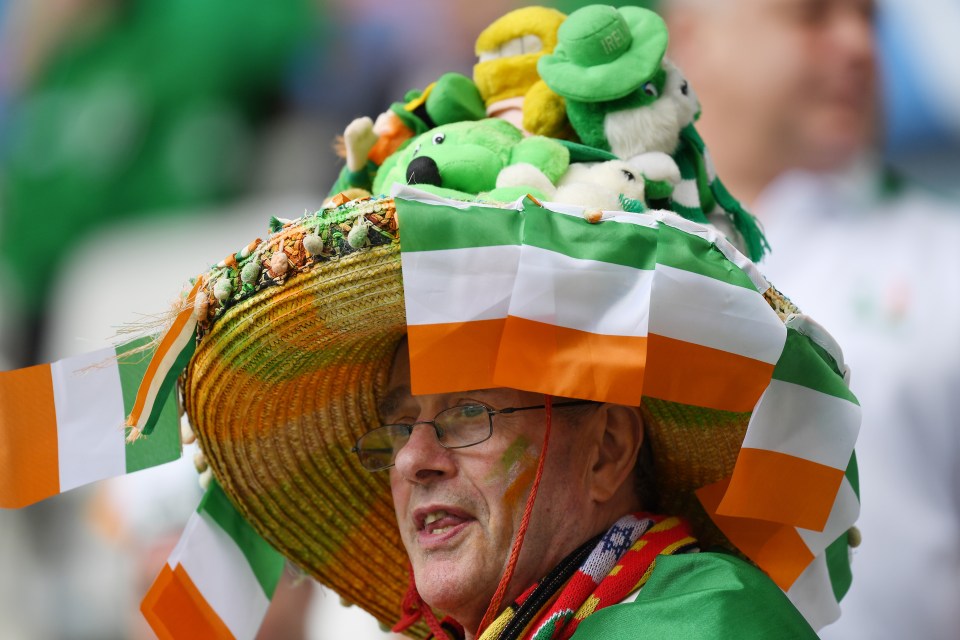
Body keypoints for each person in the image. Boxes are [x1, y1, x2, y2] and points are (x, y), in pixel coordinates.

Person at [1, 5, 862, 638]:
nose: (413, 459)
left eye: (464, 415)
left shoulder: (701, 623)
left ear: (606, 448)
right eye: (400, 426)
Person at [661, 1, 960, 638]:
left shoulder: (946, 260)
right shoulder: (591, 250)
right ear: (693, 41)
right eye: (813, 14)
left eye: (868, 17)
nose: (859, 45)